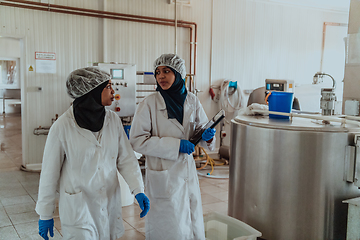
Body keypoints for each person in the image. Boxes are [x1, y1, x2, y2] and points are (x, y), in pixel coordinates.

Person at [35, 67, 150, 240]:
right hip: (79, 208)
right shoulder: (62, 126)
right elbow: (49, 174)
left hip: (109, 203)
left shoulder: (113, 120)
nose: (113, 91)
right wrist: (45, 213)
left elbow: (126, 159)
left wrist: (138, 189)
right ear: (92, 91)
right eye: (108, 86)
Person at [130, 54, 216, 240]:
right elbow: (137, 140)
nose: (161, 76)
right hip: (163, 174)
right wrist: (176, 145)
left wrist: (206, 138)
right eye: (158, 72)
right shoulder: (149, 103)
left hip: (186, 172)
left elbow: (199, 130)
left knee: (190, 221)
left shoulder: (192, 100)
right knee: (169, 227)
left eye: (167, 71)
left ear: (179, 74)